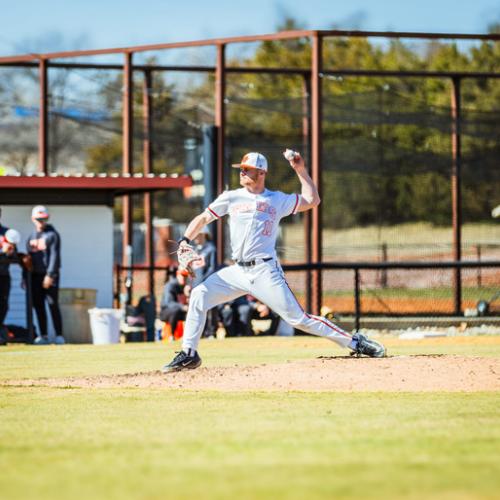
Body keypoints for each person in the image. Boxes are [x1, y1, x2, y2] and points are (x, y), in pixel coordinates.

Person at [162, 150, 385, 372]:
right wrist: (184, 240)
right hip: (237, 271)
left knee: (299, 319)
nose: (242, 173)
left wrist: (300, 170)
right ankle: (189, 353)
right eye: (241, 169)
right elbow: (203, 217)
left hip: (264, 271)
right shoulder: (231, 197)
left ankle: (355, 342)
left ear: (261, 173)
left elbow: (312, 200)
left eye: (247, 170)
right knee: (199, 295)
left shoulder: (276, 199)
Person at [27, 205, 64, 345]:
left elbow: (55, 256)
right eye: (38, 219)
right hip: (35, 276)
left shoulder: (52, 234)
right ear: (33, 219)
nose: (41, 222)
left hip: (50, 276)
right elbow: (28, 258)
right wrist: (26, 277)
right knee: (38, 305)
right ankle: (43, 335)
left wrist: (50, 275)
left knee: (52, 304)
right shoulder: (31, 236)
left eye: (43, 219)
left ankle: (59, 335)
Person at [191, 228, 218, 338]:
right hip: (195, 284)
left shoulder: (211, 249)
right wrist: (189, 284)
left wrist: (204, 281)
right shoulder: (195, 250)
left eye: (198, 235)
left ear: (204, 235)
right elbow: (192, 269)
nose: (196, 238)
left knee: (210, 308)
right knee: (197, 308)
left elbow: (212, 268)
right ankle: (200, 332)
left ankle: (211, 332)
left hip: (207, 285)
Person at [0, 223, 22, 345]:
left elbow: (15, 255)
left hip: (3, 275)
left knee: (3, 305)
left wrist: (10, 252)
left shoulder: (7, 232)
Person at [159, 269, 190, 339]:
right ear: (177, 275)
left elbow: (187, 302)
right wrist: (183, 307)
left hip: (181, 311)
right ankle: (171, 335)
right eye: (182, 275)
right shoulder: (171, 285)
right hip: (165, 312)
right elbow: (169, 302)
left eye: (186, 276)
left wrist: (188, 295)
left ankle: (191, 335)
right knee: (175, 310)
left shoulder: (186, 287)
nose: (184, 278)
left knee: (193, 311)